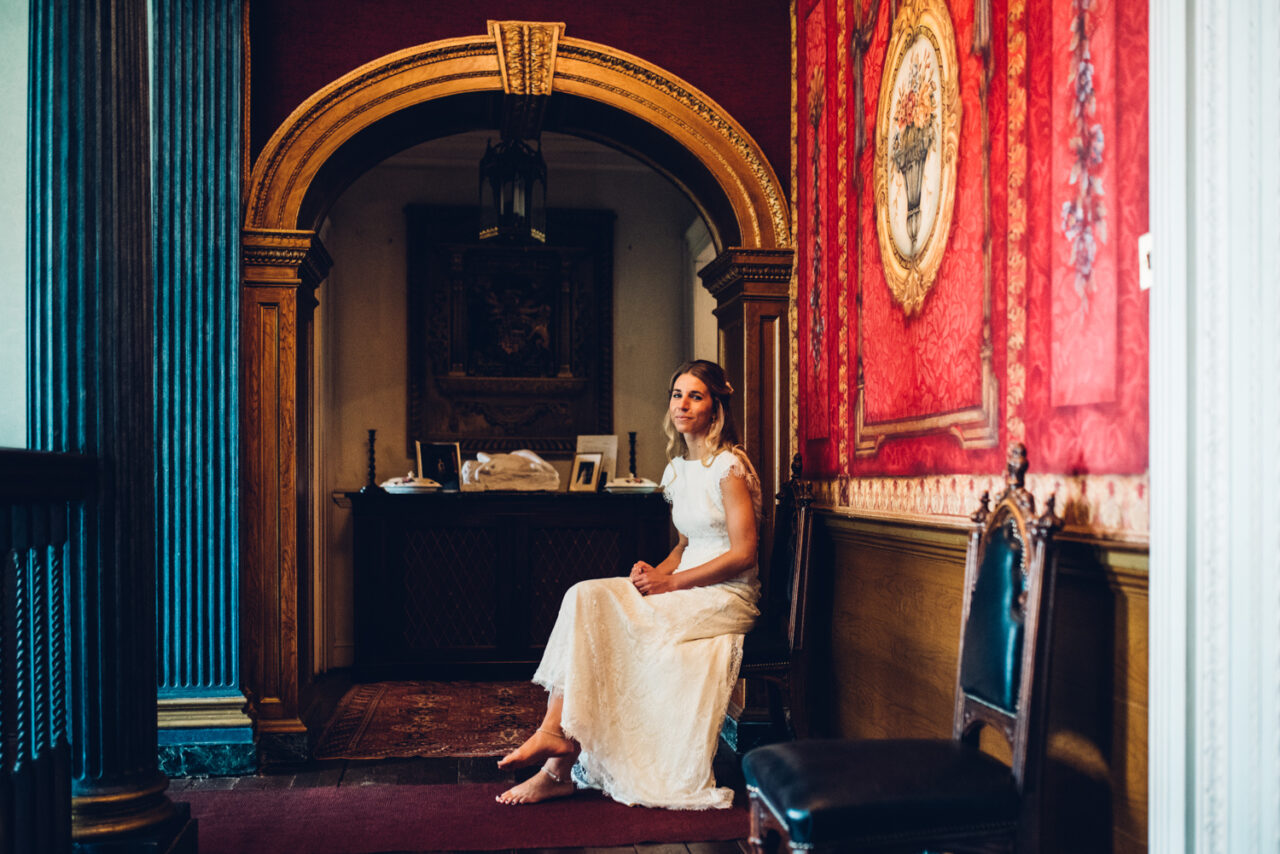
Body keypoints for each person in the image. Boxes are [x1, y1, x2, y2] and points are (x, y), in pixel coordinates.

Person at [495, 359, 762, 808]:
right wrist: (655, 572)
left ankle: (556, 760)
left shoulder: (729, 467)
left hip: (726, 595)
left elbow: (742, 554)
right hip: (682, 583)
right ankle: (553, 739)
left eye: (695, 395)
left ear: (716, 406)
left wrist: (671, 584)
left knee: (613, 629)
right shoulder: (678, 468)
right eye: (677, 394)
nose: (683, 404)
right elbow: (686, 543)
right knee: (585, 596)